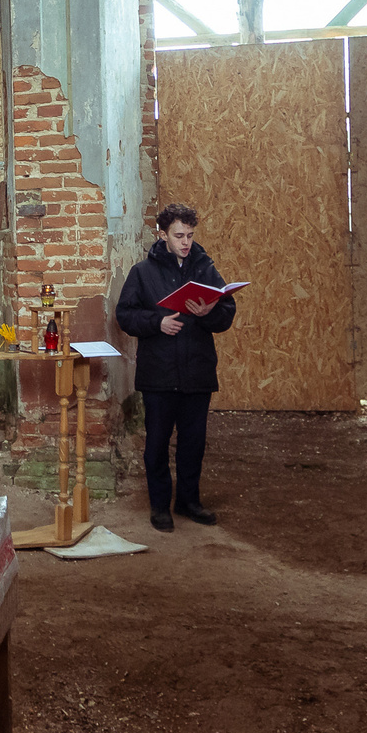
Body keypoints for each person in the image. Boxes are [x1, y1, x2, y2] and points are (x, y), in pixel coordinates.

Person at [114, 203, 238, 532]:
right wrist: (158, 322)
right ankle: (159, 507)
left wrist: (205, 313)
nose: (185, 242)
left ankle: (188, 501)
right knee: (156, 443)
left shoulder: (205, 268)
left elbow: (226, 313)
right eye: (179, 236)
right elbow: (124, 316)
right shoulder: (142, 273)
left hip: (198, 371)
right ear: (162, 235)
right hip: (159, 374)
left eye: (190, 235)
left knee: (193, 443)